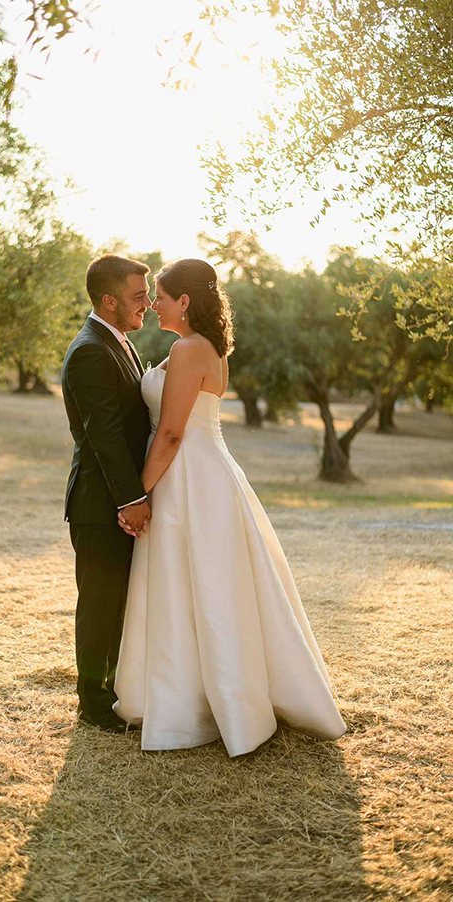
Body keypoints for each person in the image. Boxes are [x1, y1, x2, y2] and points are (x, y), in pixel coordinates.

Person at [114, 258, 347, 757]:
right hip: (208, 471)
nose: (152, 303)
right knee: (210, 585)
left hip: (190, 479)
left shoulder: (189, 349)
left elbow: (173, 432)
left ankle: (198, 705)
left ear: (185, 301)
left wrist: (139, 494)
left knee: (202, 585)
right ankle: (200, 695)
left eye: (159, 295)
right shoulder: (209, 348)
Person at [61, 254, 153, 733]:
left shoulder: (116, 341)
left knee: (116, 601)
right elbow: (105, 435)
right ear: (108, 300)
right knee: (99, 604)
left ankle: (115, 690)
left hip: (113, 500)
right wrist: (131, 499)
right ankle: (93, 705)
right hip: (100, 505)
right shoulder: (91, 350)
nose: (148, 304)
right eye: (139, 297)